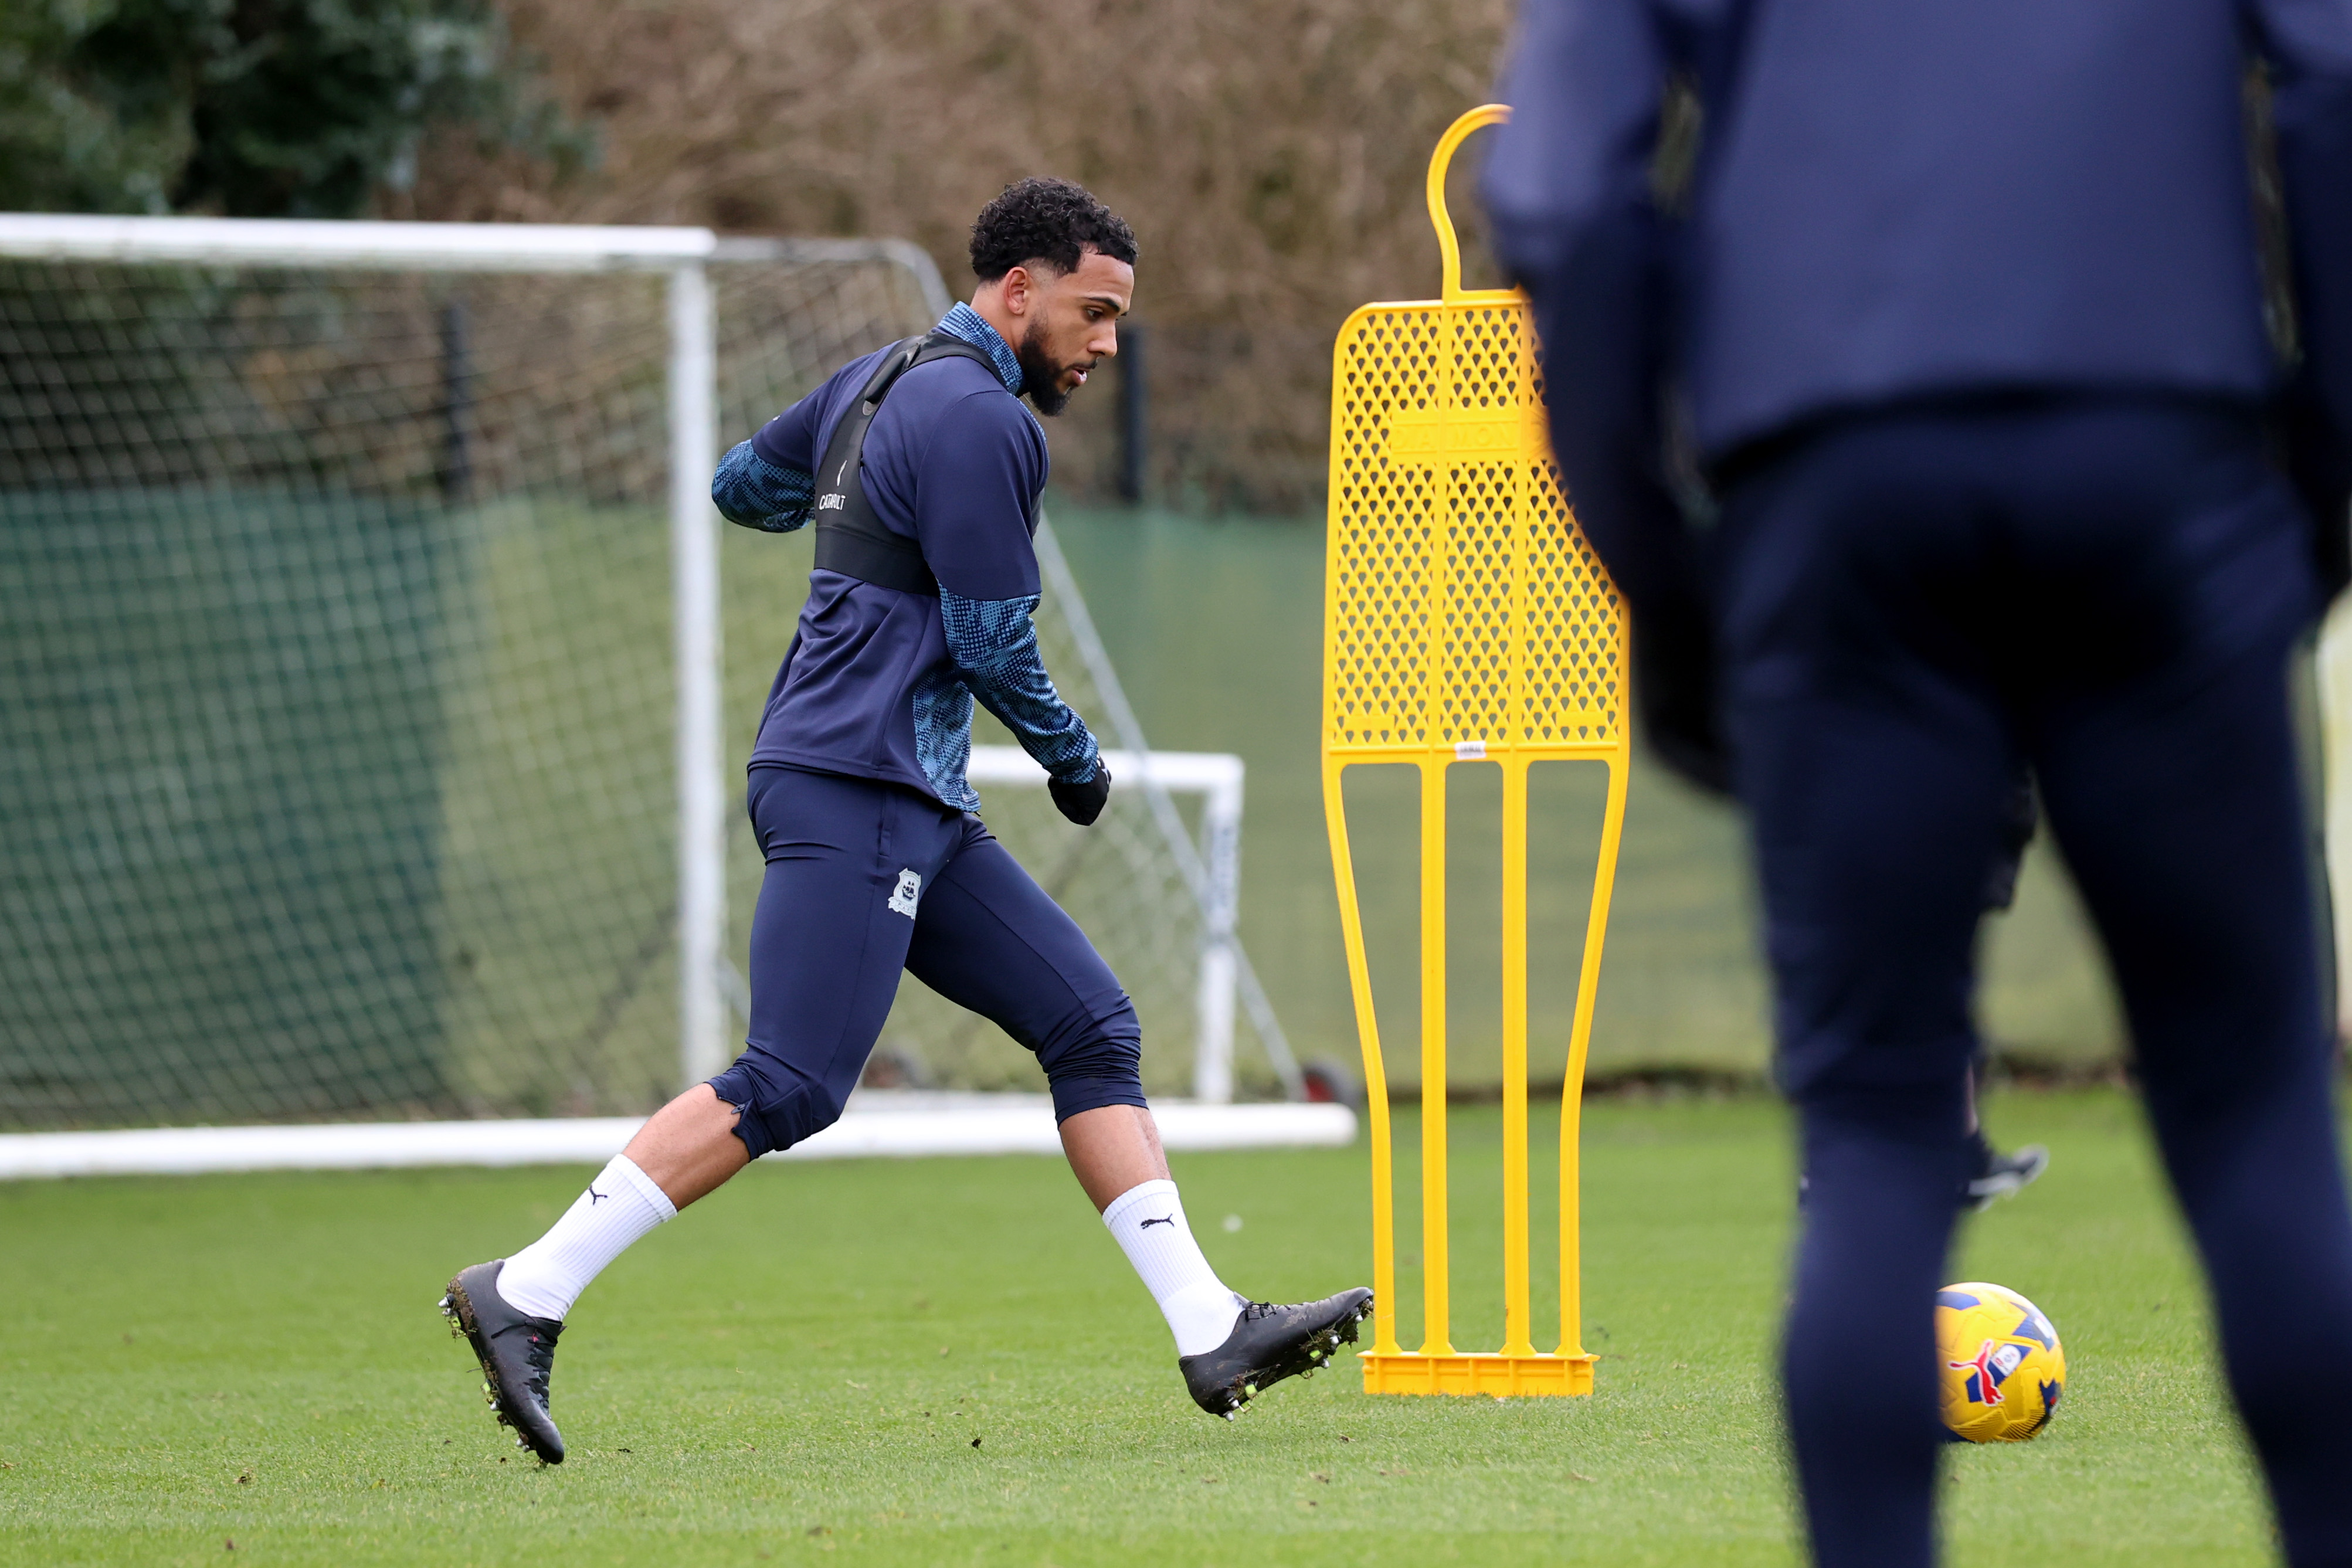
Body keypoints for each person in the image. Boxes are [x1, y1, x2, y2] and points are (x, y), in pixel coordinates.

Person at [1485, 2, 2352, 1564]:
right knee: (2251, 1111)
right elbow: (2335, 74)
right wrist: (2322, 469)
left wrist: (1657, 575)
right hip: (2158, 443)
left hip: (1829, 477)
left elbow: (1561, 194)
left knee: (1876, 1130)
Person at [442, 178, 1370, 1464]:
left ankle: (1210, 1324)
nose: (1108, 342)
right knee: (792, 1080)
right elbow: (992, 640)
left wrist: (856, 502)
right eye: (1095, 312)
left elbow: (740, 488)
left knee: (1089, 1024)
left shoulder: (875, 380)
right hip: (860, 780)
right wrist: (1075, 761)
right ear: (1019, 290)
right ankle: (525, 1288)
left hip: (903, 793)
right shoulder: (984, 418)